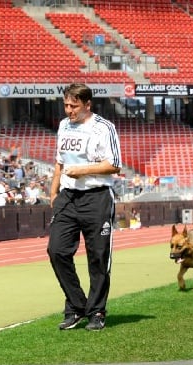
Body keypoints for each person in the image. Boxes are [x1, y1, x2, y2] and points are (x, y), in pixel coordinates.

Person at [47, 83, 121, 332]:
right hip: (68, 197)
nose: (69, 110)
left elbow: (114, 165)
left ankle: (97, 311)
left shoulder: (104, 128)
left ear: (87, 104)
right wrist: (54, 191)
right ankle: (78, 306)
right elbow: (59, 162)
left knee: (98, 257)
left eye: (74, 106)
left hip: (97, 197)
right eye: (66, 105)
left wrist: (82, 170)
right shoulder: (63, 126)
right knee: (56, 250)